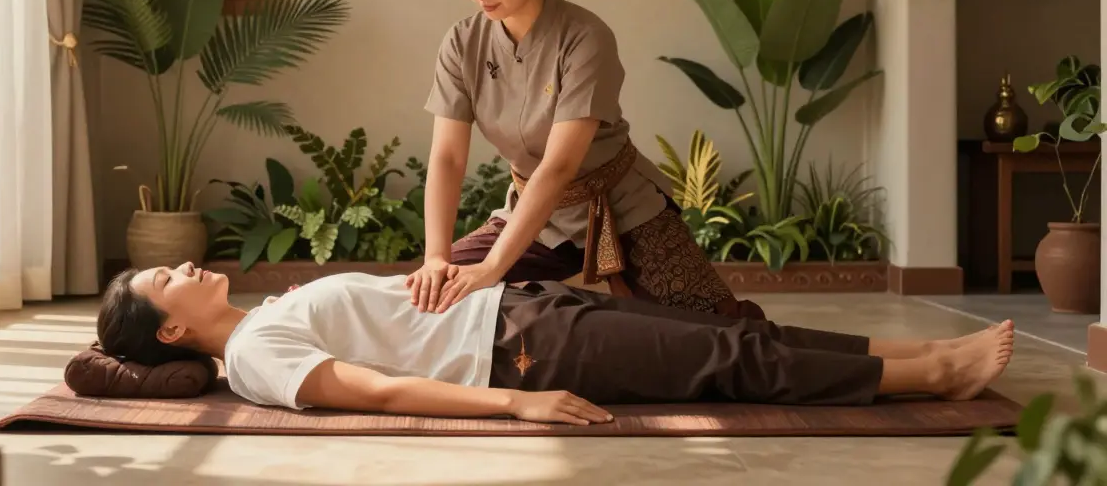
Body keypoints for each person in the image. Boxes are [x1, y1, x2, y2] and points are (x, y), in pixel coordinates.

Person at [414, 0, 757, 319]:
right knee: (430, 302)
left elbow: (558, 167)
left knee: (722, 335)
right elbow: (447, 158)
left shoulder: (584, 37)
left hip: (622, 210)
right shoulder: (462, 42)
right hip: (532, 221)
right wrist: (436, 258)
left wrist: (494, 267)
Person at [96, 262, 1016, 425]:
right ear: (173, 327)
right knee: (732, 367)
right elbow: (373, 392)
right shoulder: (254, 358)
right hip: (519, 354)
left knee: (738, 329)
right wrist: (515, 403)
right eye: (165, 281)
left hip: (521, 308)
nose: (181, 264)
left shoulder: (264, 318)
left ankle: (894, 352)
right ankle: (932, 374)